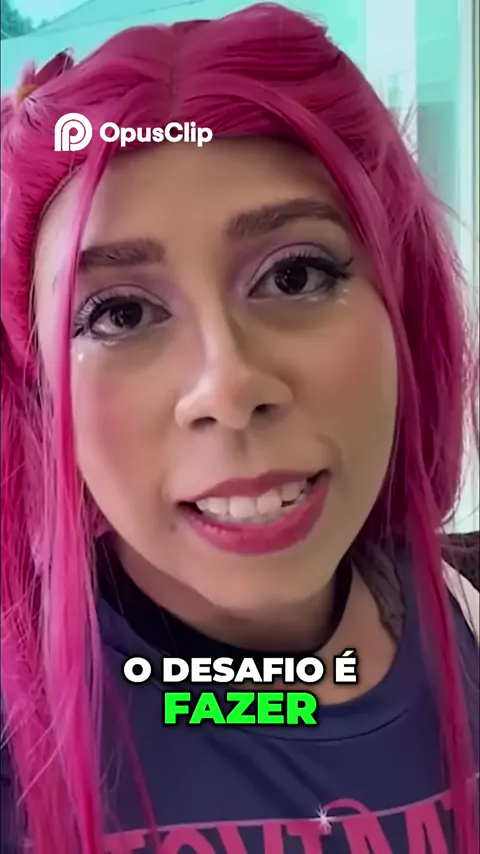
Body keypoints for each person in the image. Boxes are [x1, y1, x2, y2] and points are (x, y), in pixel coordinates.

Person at [1, 5, 478, 853]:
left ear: (400, 309)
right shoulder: (17, 723)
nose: (226, 387)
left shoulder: (466, 620)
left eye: (295, 275)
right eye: (118, 314)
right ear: (39, 393)